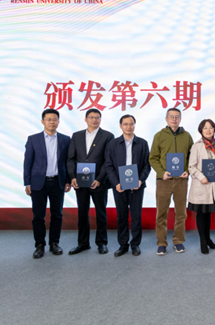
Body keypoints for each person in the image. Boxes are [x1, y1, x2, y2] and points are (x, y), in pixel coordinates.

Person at [23, 108, 71, 258]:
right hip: (38, 183)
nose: (52, 122)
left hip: (58, 182)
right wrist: (27, 183)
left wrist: (68, 180)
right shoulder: (33, 139)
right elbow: (27, 162)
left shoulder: (65, 139)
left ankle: (54, 243)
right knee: (38, 215)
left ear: (58, 121)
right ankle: (39, 245)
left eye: (54, 119)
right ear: (42, 121)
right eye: (49, 119)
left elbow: (68, 162)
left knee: (57, 215)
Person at [66, 108, 115, 255]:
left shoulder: (107, 136)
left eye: (97, 117)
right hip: (80, 182)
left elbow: (108, 160)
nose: (94, 120)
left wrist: (99, 179)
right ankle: (83, 243)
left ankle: (102, 243)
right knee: (82, 213)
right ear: (85, 119)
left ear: (100, 119)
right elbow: (71, 158)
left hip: (98, 182)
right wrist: (72, 177)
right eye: (91, 117)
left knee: (101, 213)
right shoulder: (76, 136)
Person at [104, 114, 151, 257]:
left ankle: (135, 244)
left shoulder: (142, 143)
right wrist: (116, 183)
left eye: (131, 124)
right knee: (122, 216)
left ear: (134, 125)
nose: (129, 126)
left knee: (136, 216)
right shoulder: (113, 144)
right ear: (120, 126)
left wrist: (140, 180)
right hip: (119, 186)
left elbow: (147, 165)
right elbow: (108, 165)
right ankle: (123, 245)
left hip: (137, 185)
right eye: (125, 124)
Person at [148, 107, 193, 256]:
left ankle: (178, 241)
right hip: (164, 181)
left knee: (181, 213)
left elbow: (191, 157)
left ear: (180, 119)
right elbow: (153, 158)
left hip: (181, 181)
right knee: (161, 213)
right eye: (171, 116)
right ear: (166, 119)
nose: (174, 119)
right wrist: (162, 173)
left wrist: (187, 170)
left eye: (176, 116)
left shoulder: (187, 136)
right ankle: (161, 243)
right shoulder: (159, 136)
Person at [187, 119, 215, 254]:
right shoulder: (196, 146)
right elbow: (191, 166)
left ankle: (208, 239)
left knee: (208, 214)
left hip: (213, 185)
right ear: (201, 130)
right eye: (205, 128)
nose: (208, 130)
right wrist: (201, 176)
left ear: (214, 129)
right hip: (201, 184)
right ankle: (203, 241)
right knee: (201, 214)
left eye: (211, 127)